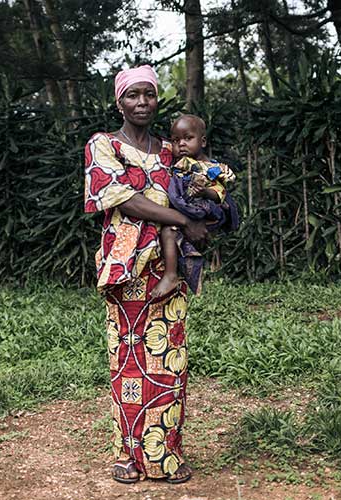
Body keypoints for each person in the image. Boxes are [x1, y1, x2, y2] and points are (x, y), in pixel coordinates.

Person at [84, 65, 208, 484]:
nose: (141, 103)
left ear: (157, 99)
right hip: (126, 267)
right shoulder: (103, 145)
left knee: (169, 361)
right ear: (118, 101)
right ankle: (128, 455)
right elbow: (121, 199)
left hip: (169, 265)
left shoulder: (170, 149)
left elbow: (199, 185)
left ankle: (167, 455)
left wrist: (206, 214)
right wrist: (180, 218)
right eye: (132, 95)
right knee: (127, 361)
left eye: (148, 95)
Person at [151, 114, 238, 298]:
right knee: (169, 232)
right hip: (187, 212)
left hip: (207, 212)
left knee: (169, 230)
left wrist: (205, 192)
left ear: (203, 141)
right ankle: (177, 270)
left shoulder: (212, 168)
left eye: (187, 138)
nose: (181, 144)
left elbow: (220, 195)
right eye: (175, 140)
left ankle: (170, 274)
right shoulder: (180, 165)